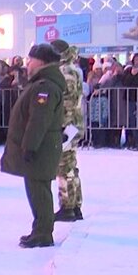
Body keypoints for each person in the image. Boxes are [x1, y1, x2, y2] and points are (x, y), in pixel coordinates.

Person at [0, 44, 65, 248]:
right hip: (42, 146)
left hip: (41, 147)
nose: (28, 63)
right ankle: (40, 229)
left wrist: (29, 146)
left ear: (42, 62)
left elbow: (39, 120)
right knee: (37, 189)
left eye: (31, 60)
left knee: (39, 190)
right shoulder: (42, 83)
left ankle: (43, 233)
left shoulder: (44, 86)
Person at [51, 40, 85, 222]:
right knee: (70, 166)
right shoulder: (70, 68)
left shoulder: (65, 72)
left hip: (68, 125)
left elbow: (68, 102)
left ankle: (68, 206)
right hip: (73, 123)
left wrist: (63, 126)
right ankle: (75, 204)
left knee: (64, 168)